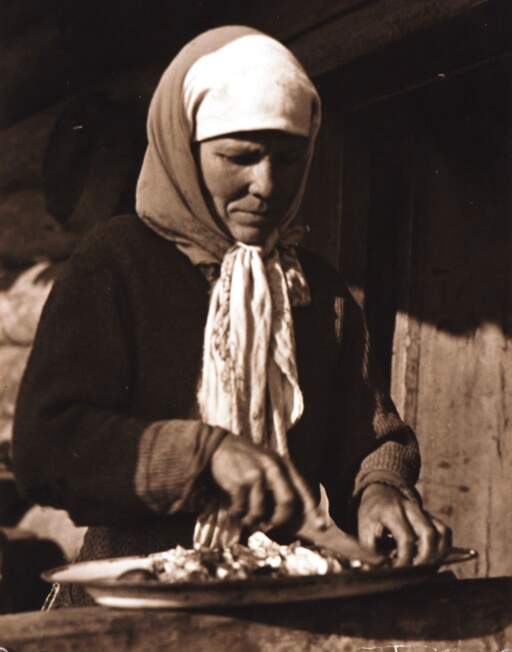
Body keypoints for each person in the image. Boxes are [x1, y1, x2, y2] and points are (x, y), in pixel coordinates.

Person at [13, 26, 450, 608]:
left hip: (280, 599)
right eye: (238, 157)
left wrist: (380, 488)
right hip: (130, 614)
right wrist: (202, 454)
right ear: (184, 149)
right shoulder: (115, 264)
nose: (266, 185)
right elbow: (47, 447)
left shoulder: (316, 289)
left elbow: (366, 437)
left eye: (290, 160)